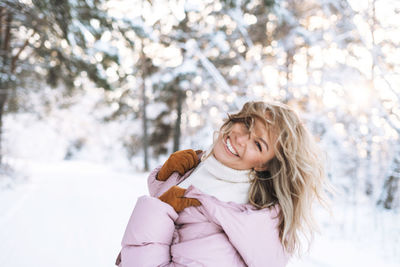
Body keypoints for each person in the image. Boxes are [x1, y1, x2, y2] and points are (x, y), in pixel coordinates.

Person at [116, 101, 328, 267]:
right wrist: (167, 177)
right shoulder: (209, 171)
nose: (241, 138)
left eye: (257, 144)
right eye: (247, 124)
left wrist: (158, 209)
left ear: (265, 166)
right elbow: (179, 223)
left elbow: (173, 217)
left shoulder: (228, 221)